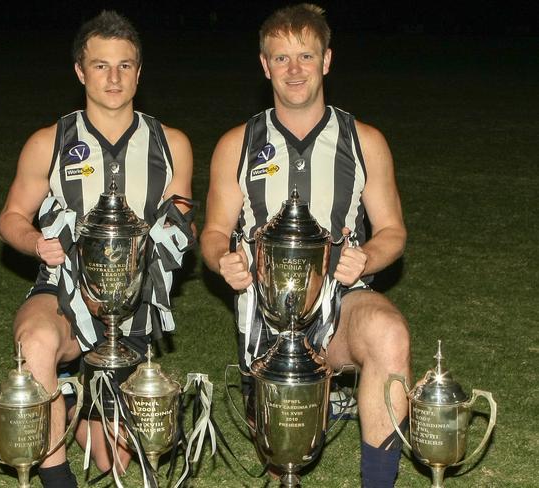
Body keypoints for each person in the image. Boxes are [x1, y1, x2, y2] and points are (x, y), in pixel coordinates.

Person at [200, 4, 410, 487]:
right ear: (264, 64)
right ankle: (321, 400)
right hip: (267, 318)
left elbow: (394, 232)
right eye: (281, 58)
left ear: (327, 60)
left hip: (341, 301)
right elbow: (213, 231)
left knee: (389, 333)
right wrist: (222, 260)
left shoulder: (364, 140)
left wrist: (369, 256)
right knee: (282, 461)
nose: (294, 70)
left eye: (306, 56)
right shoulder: (238, 143)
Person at [0, 10, 193, 488]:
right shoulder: (49, 142)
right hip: (62, 289)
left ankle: (72, 412)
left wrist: (171, 237)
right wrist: (35, 242)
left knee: (116, 462)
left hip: (133, 303)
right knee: (37, 342)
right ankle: (57, 476)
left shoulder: (171, 144)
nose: (113, 77)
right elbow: (10, 219)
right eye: (101, 65)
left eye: (125, 65)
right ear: (81, 71)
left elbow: (182, 221)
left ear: (139, 72)